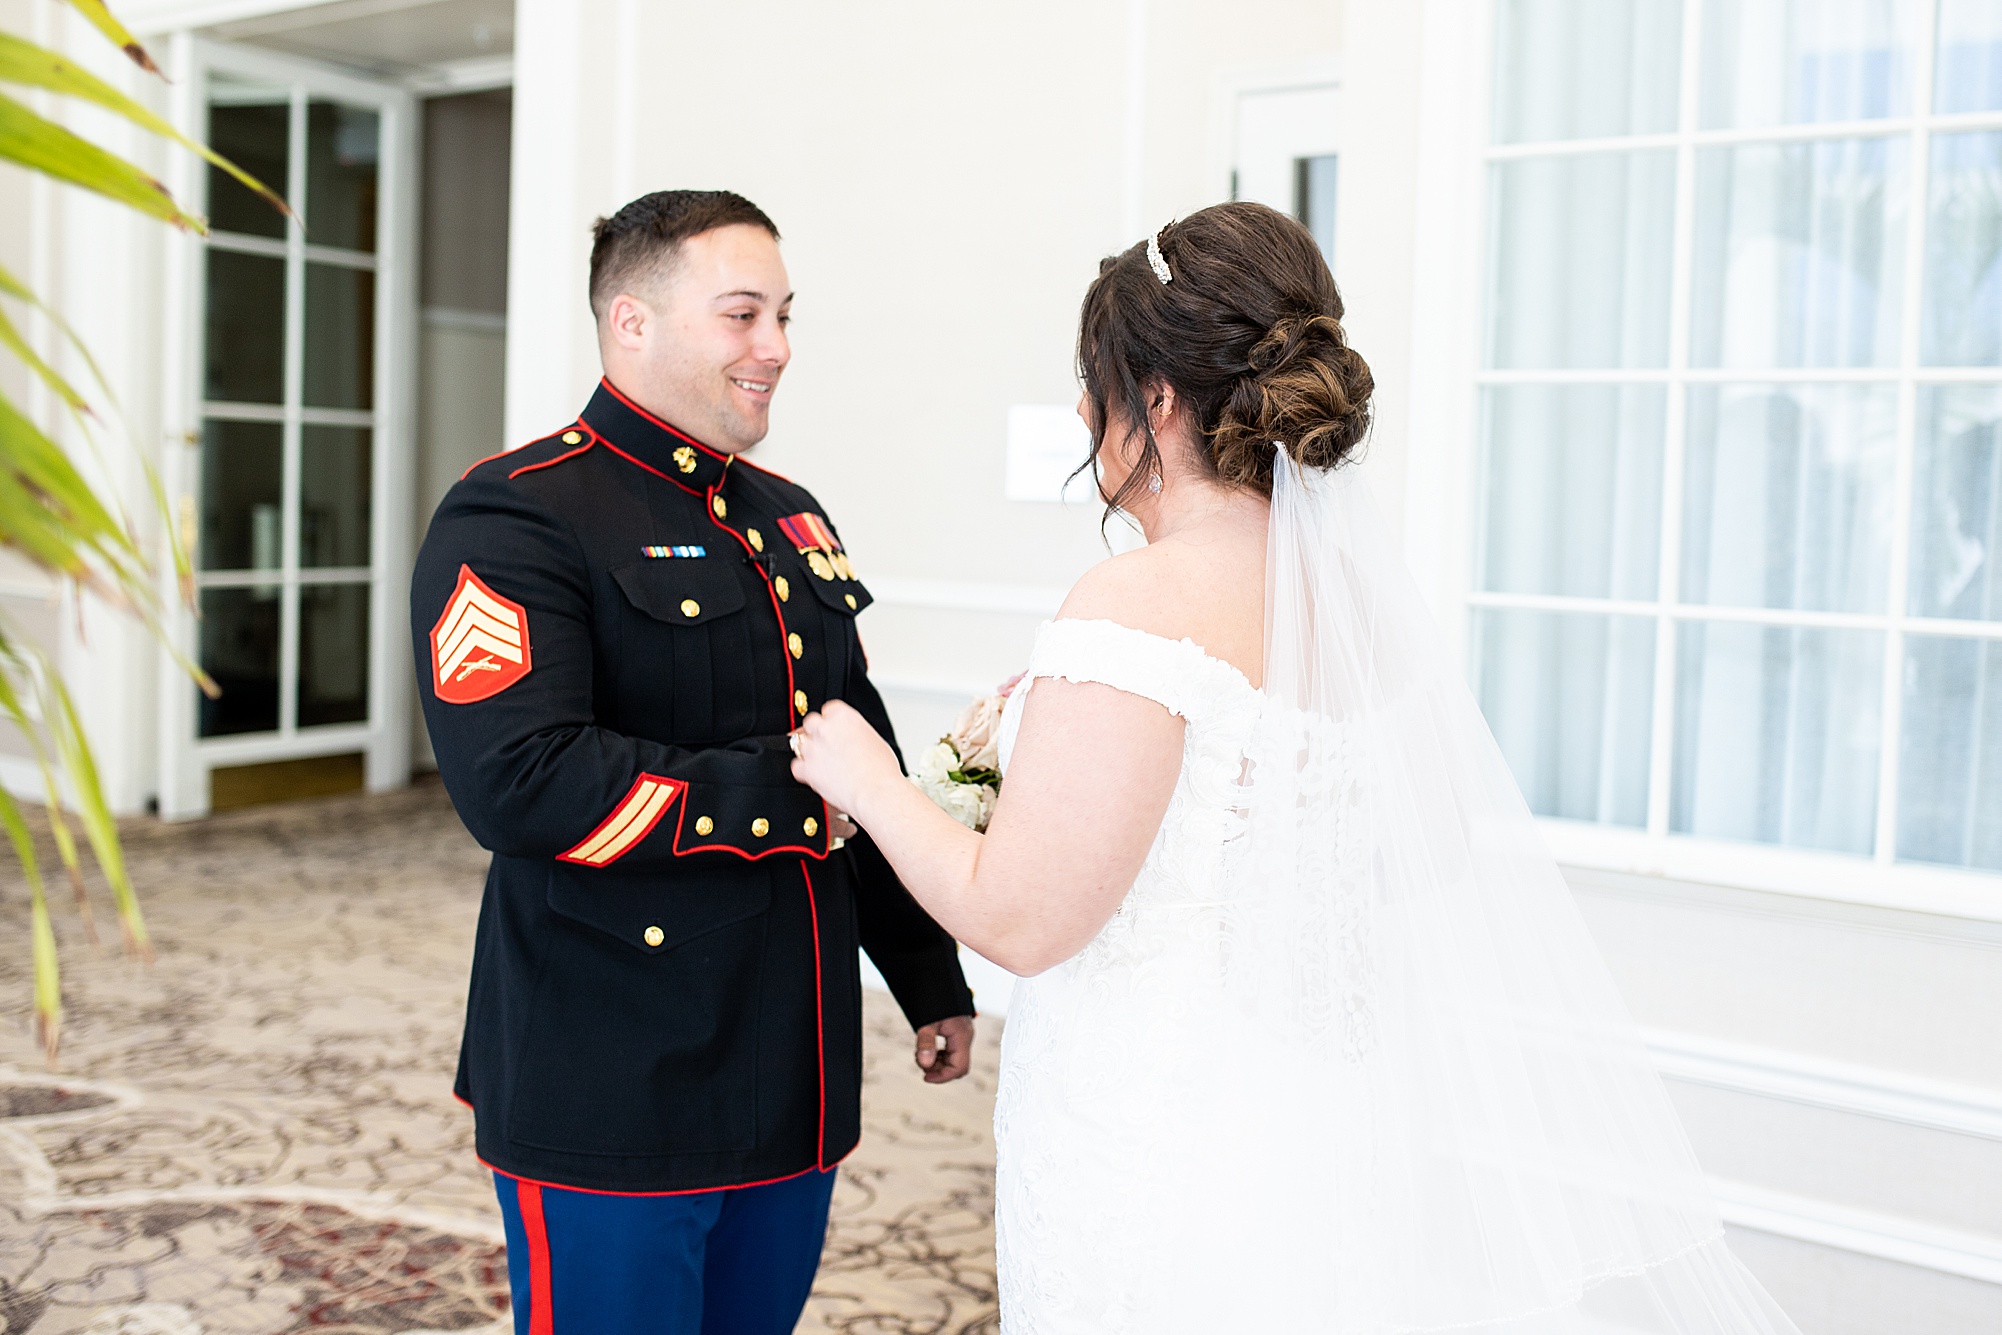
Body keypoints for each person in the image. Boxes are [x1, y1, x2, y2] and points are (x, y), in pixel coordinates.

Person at [789, 202, 1802, 1334]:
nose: (1080, 411)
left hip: (1153, 1123)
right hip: (1314, 1109)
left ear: (1155, 401)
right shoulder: (1351, 602)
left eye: (1093, 382)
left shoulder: (1135, 603)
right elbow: (1422, 855)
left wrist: (870, 780)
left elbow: (1021, 921)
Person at [411, 189, 975, 1335]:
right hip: (611, 1070)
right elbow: (520, 781)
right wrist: (793, 799)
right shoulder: (516, 514)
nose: (776, 348)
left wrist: (926, 973)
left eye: (784, 315)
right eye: (741, 314)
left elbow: (860, 756)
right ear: (631, 320)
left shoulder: (792, 517)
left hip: (789, 1067)